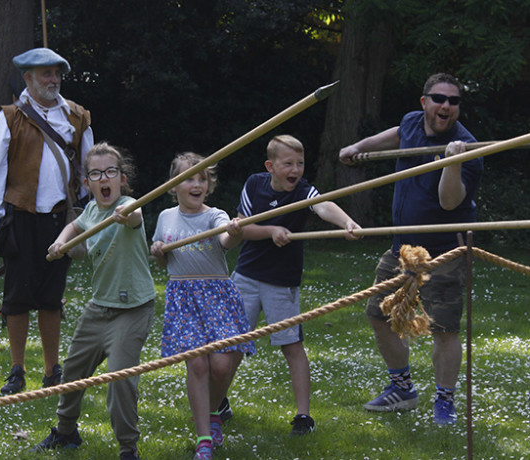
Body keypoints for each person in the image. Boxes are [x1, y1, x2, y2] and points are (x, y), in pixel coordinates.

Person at [339, 73, 483, 425]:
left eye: (453, 101)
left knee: (444, 329)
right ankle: (402, 388)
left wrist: (452, 162)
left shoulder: (470, 148)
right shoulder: (412, 123)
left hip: (445, 252)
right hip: (401, 248)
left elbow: (450, 204)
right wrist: (360, 148)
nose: (446, 106)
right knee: (378, 315)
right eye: (438, 98)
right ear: (424, 102)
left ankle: (444, 402)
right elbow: (397, 134)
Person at [0, 47, 93, 395]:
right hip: (20, 220)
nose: (53, 80)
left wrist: (94, 212)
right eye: (46, 74)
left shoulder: (78, 117)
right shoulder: (10, 117)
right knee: (18, 298)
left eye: (56, 73)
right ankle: (17, 369)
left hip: (61, 221)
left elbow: (89, 169)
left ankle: (53, 370)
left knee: (52, 298)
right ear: (28, 78)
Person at [230, 135, 361, 435]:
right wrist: (273, 230)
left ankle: (304, 416)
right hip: (247, 276)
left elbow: (323, 205)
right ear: (271, 166)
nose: (296, 169)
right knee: (232, 344)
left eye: (300, 163)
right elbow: (242, 228)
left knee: (292, 346)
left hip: (282, 282)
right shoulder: (254, 184)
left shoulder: (303, 190)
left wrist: (347, 223)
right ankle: (217, 404)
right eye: (288, 163)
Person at [35, 142, 155, 460]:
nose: (105, 179)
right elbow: (76, 225)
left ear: (122, 179)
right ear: (87, 183)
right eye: (96, 173)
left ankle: (128, 448)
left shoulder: (129, 205)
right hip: (99, 307)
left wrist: (126, 215)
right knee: (72, 371)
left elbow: (136, 217)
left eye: (111, 172)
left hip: (133, 310)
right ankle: (65, 431)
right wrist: (61, 242)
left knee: (120, 379)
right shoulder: (90, 210)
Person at [150, 152, 255, 460]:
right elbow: (161, 259)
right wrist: (157, 251)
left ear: (209, 185)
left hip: (217, 294)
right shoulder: (165, 217)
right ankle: (203, 439)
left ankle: (211, 412)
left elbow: (225, 239)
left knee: (222, 364)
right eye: (189, 178)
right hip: (183, 297)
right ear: (174, 186)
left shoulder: (215, 215)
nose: (197, 184)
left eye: (202, 178)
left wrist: (234, 233)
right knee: (197, 364)